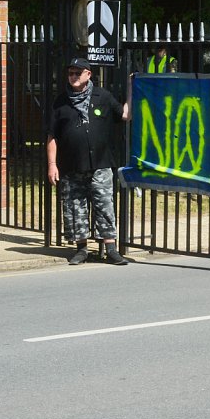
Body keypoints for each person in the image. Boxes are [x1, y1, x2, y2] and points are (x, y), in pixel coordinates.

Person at [46, 58, 131, 265]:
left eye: (77, 73)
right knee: (75, 207)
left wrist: (131, 87)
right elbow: (52, 136)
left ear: (88, 75)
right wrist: (52, 164)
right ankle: (81, 249)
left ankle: (110, 248)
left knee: (104, 205)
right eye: (70, 73)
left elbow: (125, 115)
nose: (73, 76)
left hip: (101, 163)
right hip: (71, 166)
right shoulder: (61, 102)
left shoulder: (102, 96)